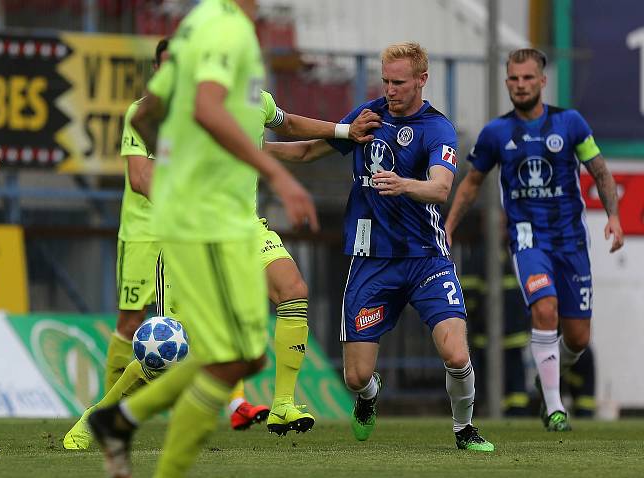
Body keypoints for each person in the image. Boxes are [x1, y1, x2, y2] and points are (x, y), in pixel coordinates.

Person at [87, 0, 319, 475]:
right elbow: (207, 110)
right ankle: (136, 436)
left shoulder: (196, 27)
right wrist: (277, 175)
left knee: (245, 357)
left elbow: (146, 116)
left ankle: (119, 419)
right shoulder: (226, 31)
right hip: (208, 220)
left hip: (218, 220)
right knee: (229, 357)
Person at [266, 41, 494, 451]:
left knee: (456, 354)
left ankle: (465, 429)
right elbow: (304, 151)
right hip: (372, 262)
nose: (390, 89)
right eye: (386, 80)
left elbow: (441, 188)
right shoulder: (366, 119)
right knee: (355, 376)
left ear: (422, 80)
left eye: (399, 82)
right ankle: (369, 396)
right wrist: (249, 149)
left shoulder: (437, 129)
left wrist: (403, 184)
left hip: (427, 260)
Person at [444, 48, 624, 432]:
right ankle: (556, 408)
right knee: (544, 308)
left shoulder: (571, 124)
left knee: (577, 338)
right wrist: (449, 225)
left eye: (528, 78)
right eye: (514, 78)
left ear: (542, 81)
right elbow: (472, 183)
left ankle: (548, 386)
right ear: (507, 81)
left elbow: (601, 171)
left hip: (571, 241)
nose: (521, 85)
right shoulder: (496, 133)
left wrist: (613, 217)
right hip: (528, 238)